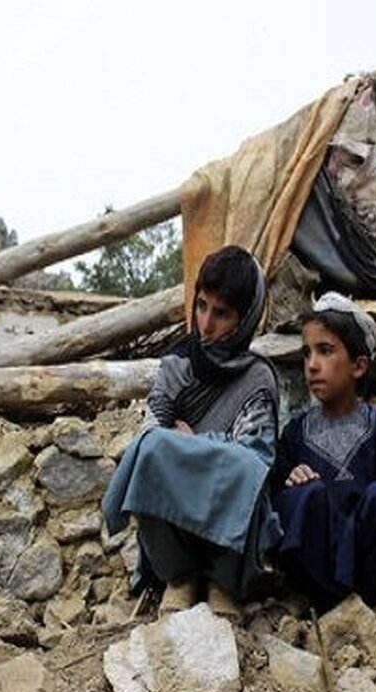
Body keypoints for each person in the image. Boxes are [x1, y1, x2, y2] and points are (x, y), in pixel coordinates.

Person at [102, 245, 280, 618]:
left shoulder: (258, 378)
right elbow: (153, 433)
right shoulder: (177, 366)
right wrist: (208, 448)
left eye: (222, 313)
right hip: (175, 526)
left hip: (228, 533)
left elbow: (256, 458)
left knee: (244, 470)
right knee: (150, 452)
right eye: (201, 306)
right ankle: (179, 577)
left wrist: (194, 443)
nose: (206, 324)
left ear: (246, 317)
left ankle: (221, 581)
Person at [272, 292, 376, 614]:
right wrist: (292, 482)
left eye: (325, 351)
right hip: (316, 574)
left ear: (358, 366)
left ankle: (374, 601)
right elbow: (274, 503)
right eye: (307, 353)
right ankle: (322, 601)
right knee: (305, 493)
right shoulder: (295, 433)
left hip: (369, 572)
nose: (312, 365)